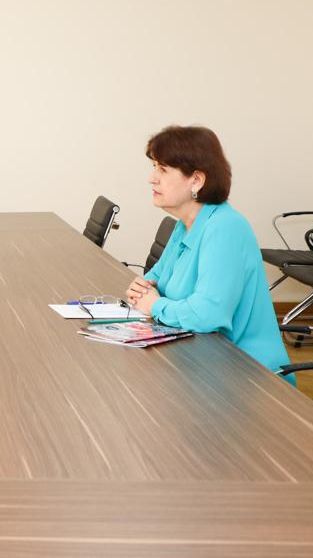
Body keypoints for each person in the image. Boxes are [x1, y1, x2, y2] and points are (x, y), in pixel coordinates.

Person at [125, 126, 292, 380]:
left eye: (163, 169)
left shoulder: (226, 227)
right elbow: (154, 279)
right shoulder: (186, 224)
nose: (152, 178)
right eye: (154, 167)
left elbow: (207, 315)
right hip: (200, 360)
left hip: (249, 376)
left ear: (196, 180)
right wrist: (142, 291)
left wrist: (155, 305)